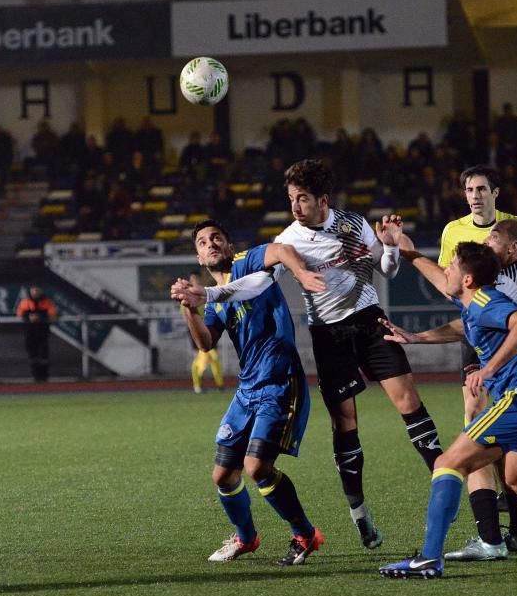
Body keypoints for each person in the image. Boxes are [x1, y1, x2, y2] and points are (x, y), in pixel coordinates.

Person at [174, 159, 444, 550]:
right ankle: (360, 515)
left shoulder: (353, 223)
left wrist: (389, 246)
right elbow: (253, 285)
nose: (295, 206)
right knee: (345, 423)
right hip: (329, 335)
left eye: (301, 198)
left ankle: (446, 484)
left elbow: (386, 269)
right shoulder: (290, 238)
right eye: (291, 199)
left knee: (409, 404)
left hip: (369, 321)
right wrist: (208, 296)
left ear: (323, 199)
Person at [378, 242, 517, 579]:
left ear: (467, 279)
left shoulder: (484, 300)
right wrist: (416, 338)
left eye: (451, 266)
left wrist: (490, 368)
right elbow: (462, 326)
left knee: (448, 463)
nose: (446, 270)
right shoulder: (473, 304)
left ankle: (429, 559)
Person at [172, 219, 327, 565]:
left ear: (228, 246)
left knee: (256, 467)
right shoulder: (213, 302)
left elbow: (283, 250)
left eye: (216, 238)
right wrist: (188, 306)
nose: (210, 244)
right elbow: (205, 343)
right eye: (202, 242)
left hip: (280, 381)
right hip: (248, 389)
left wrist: (300, 273)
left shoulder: (249, 261)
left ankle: (305, 534)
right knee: (224, 475)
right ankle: (246, 538)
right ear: (198, 257)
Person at [439, 165, 517, 518]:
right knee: (474, 412)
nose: (475, 196)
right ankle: (489, 515)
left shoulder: (516, 226)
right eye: (470, 189)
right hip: (478, 330)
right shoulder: (453, 231)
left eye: (482, 189)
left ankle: (514, 507)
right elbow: (449, 282)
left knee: (508, 415)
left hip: (511, 332)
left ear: (495, 193)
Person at [184, 271, 225, 394]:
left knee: (214, 358)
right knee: (200, 359)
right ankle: (197, 385)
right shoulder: (187, 296)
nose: (195, 282)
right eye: (193, 280)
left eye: (197, 279)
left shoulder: (205, 293)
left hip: (208, 328)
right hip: (196, 330)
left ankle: (220, 385)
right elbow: (187, 316)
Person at [16, 285, 58, 382]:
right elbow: (20, 314)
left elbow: (52, 314)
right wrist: (29, 317)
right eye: (33, 290)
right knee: (32, 354)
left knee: (44, 354)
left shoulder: (47, 302)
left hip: (43, 331)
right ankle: (35, 376)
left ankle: (44, 377)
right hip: (29, 332)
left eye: (37, 290)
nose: (35, 292)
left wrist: (40, 317)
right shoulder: (25, 302)